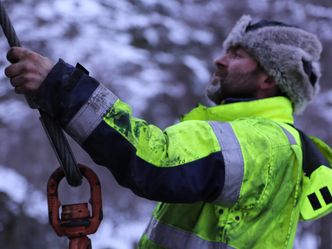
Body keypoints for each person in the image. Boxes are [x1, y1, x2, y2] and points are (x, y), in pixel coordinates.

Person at [3, 14, 331, 249]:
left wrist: (61, 86)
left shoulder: (263, 141)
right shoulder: (261, 137)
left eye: (237, 54)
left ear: (269, 79)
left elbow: (158, 161)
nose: (219, 60)